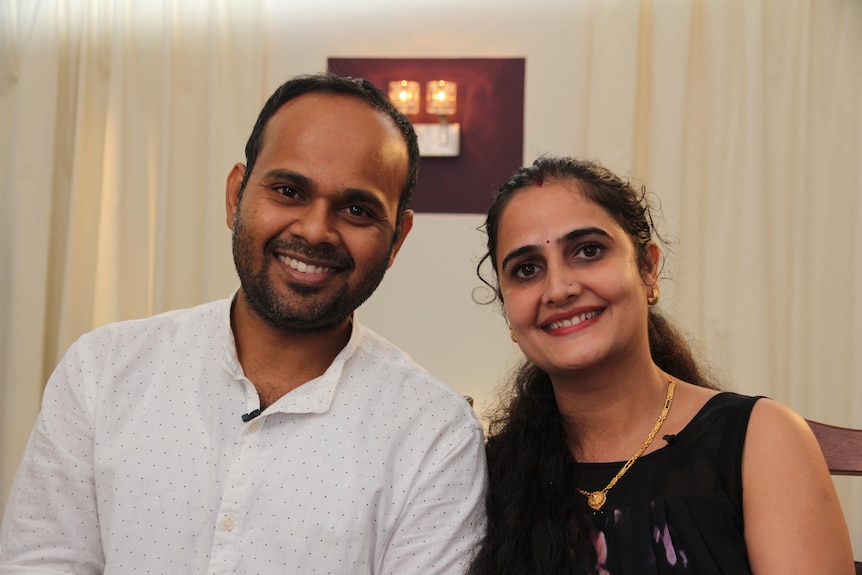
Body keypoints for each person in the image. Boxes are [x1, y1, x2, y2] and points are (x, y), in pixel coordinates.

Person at [0, 73, 487, 574]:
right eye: (288, 190)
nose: (315, 229)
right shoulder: (102, 372)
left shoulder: (434, 434)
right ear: (236, 195)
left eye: (357, 209)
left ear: (397, 239)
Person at [467, 156, 854, 574]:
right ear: (507, 307)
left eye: (588, 251)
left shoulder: (761, 439)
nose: (559, 289)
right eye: (527, 269)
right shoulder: (488, 473)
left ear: (648, 268)